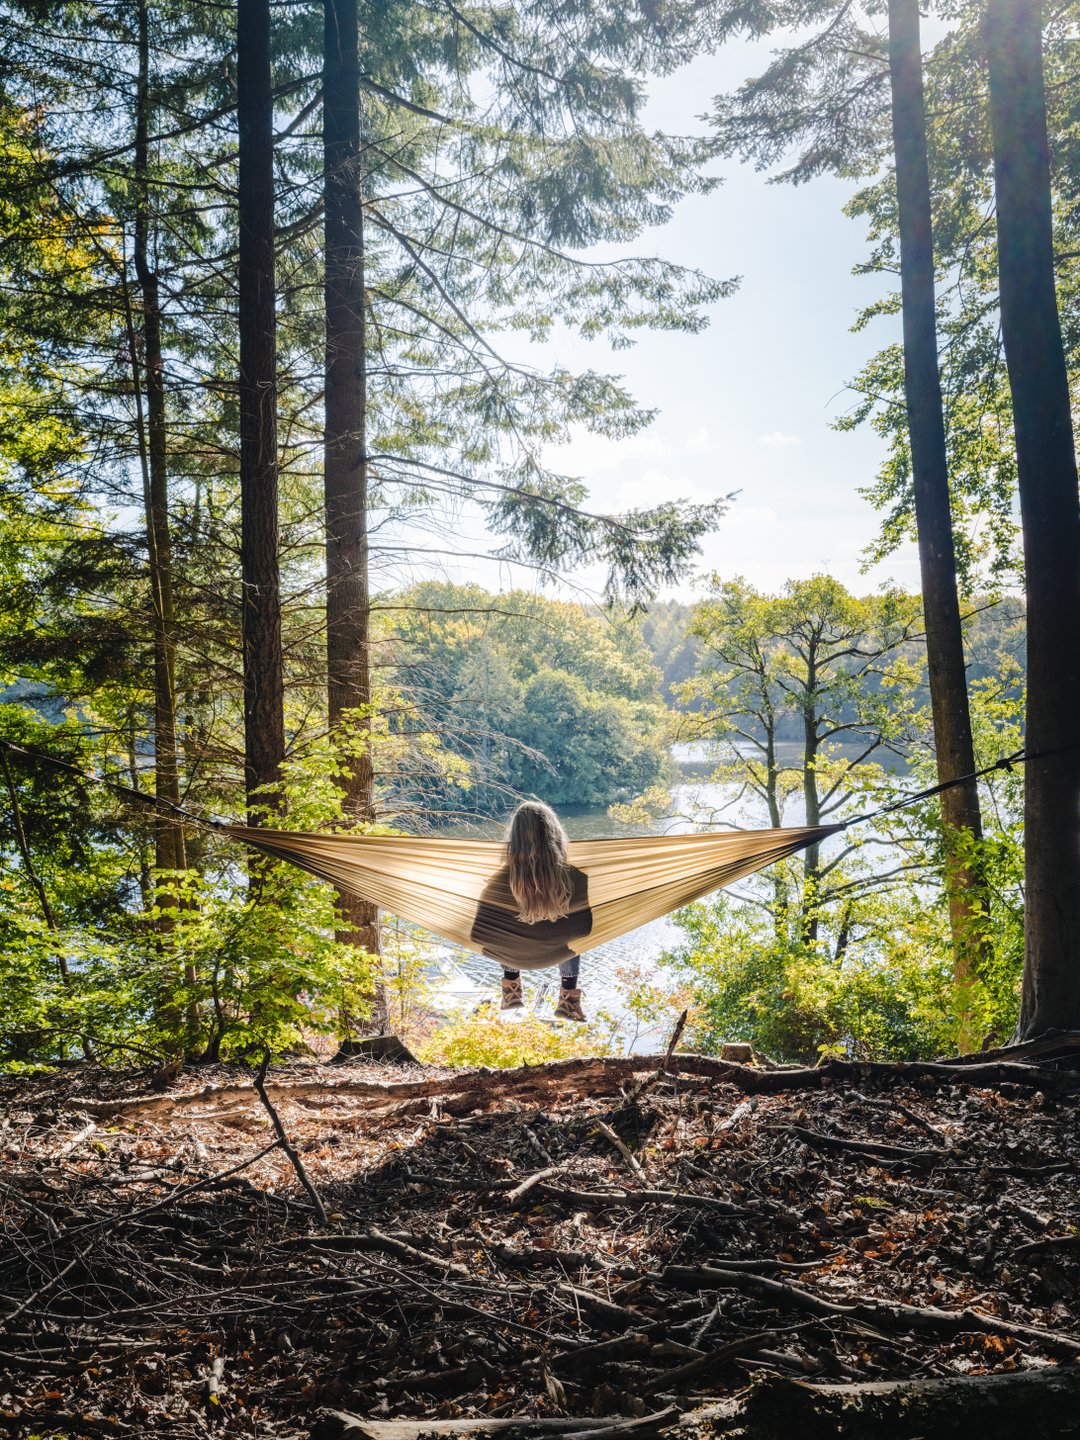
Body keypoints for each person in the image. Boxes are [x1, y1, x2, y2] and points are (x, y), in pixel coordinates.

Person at [470, 800, 592, 1021]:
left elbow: (477, 935)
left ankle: (510, 988)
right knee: (572, 940)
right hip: (558, 952)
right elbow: (585, 930)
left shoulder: (497, 882)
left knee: (502, 930)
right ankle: (569, 998)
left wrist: (516, 930)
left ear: (514, 840)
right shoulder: (576, 877)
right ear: (554, 834)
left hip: (513, 957)